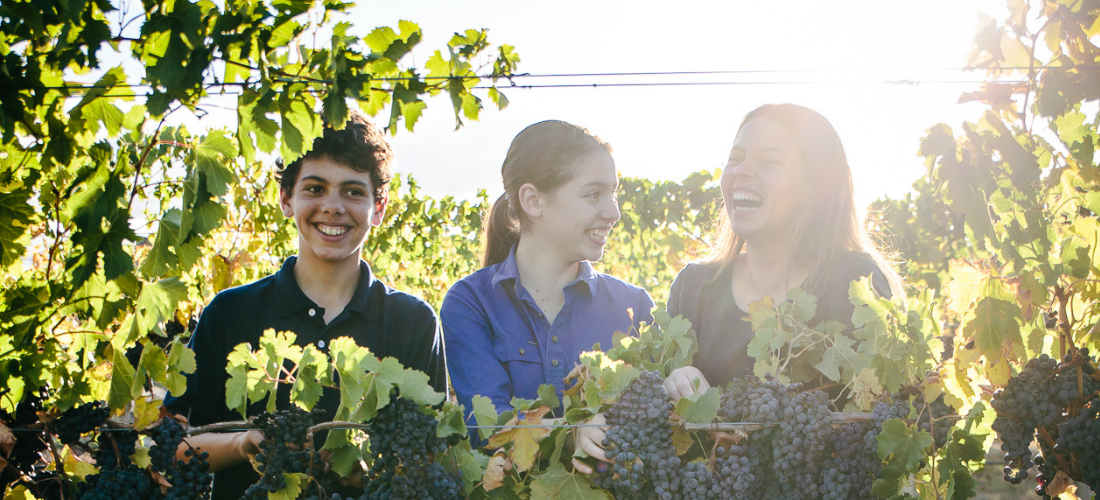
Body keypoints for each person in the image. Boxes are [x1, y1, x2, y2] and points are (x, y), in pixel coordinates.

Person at [165, 112, 447, 500]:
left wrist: (367, 471)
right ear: (286, 198)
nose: (333, 206)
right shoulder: (230, 312)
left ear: (378, 208)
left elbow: (431, 458)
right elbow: (172, 448)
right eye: (315, 188)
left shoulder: (413, 321)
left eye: (353, 191)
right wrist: (243, 444)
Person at [440, 120, 654, 461]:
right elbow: (489, 429)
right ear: (533, 200)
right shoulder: (471, 303)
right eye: (593, 194)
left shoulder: (635, 307)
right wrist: (571, 434)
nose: (613, 212)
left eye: (614, 193)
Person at [662, 103, 904, 401]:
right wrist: (672, 382)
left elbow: (883, 413)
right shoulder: (693, 287)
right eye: (736, 158)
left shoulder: (855, 283)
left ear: (814, 186)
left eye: (768, 162)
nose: (742, 171)